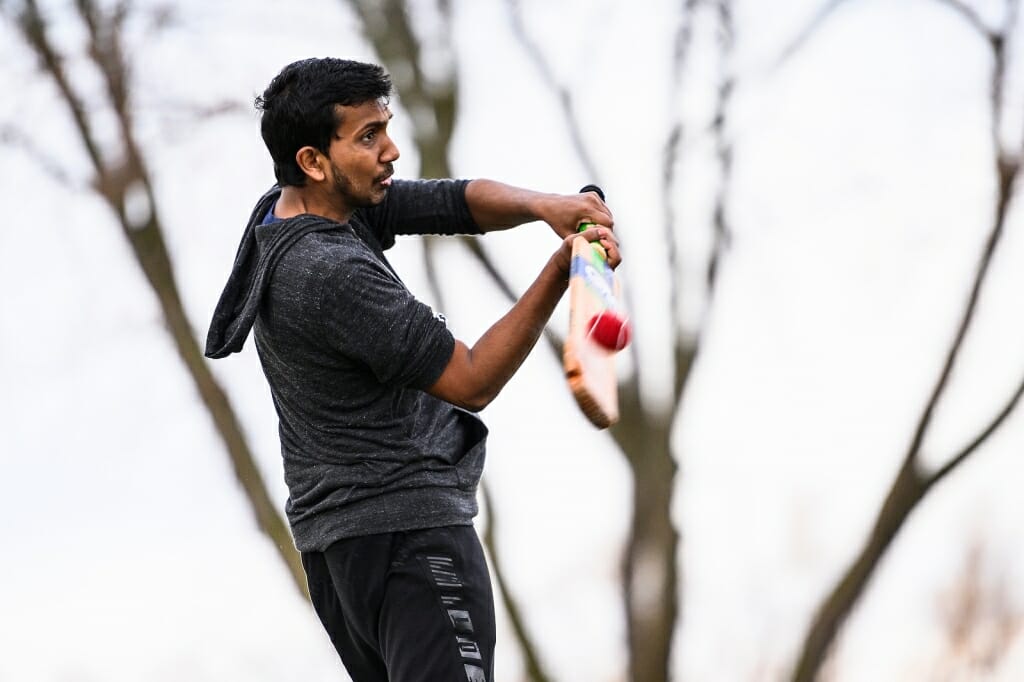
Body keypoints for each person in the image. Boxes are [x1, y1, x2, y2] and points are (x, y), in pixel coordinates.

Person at [205, 57, 619, 682]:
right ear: (315, 160)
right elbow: (471, 379)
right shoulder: (329, 274)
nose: (391, 151)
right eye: (369, 137)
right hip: (410, 540)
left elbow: (449, 203)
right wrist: (562, 270)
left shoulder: (292, 209)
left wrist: (546, 206)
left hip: (337, 550)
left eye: (386, 128)